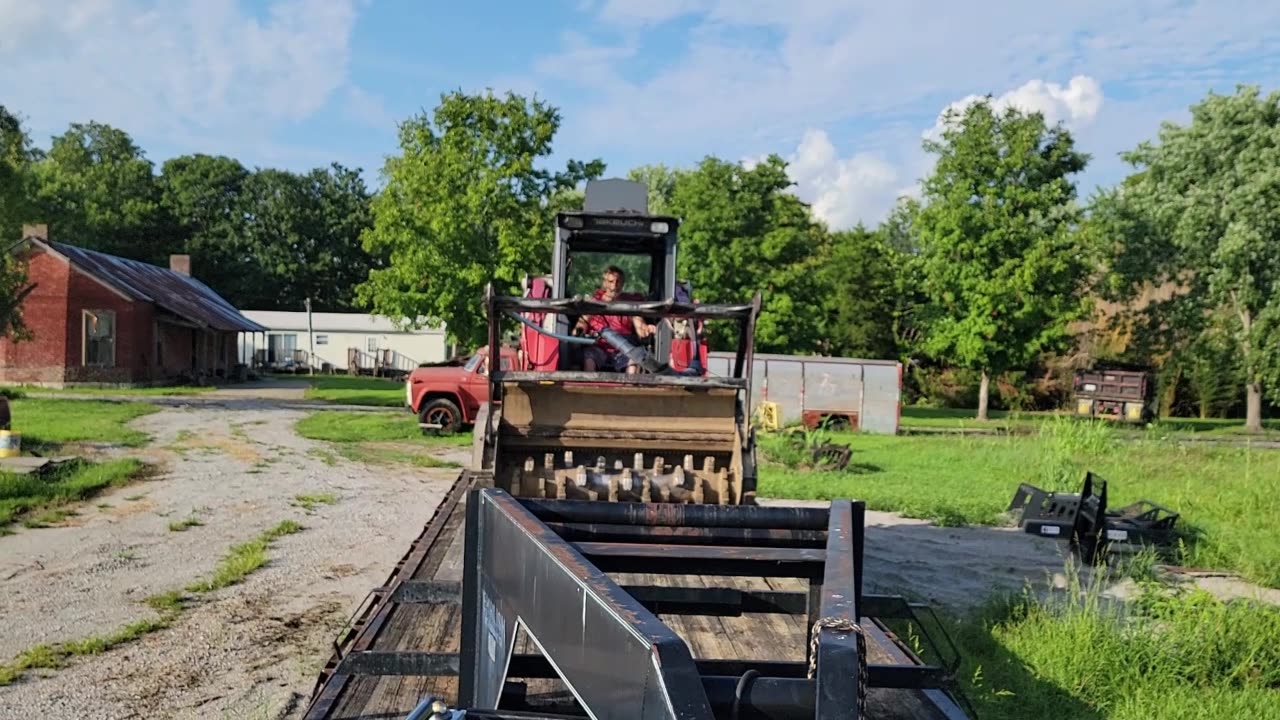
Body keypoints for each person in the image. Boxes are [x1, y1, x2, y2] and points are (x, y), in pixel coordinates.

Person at [572, 265, 655, 374]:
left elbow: (640, 326)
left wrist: (647, 329)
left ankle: (630, 388)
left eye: (618, 282)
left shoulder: (630, 304)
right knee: (589, 357)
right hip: (599, 348)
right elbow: (582, 324)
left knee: (635, 359)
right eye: (611, 282)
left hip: (624, 350)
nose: (614, 286)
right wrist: (578, 331)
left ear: (623, 284)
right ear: (604, 283)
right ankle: (589, 388)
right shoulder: (593, 303)